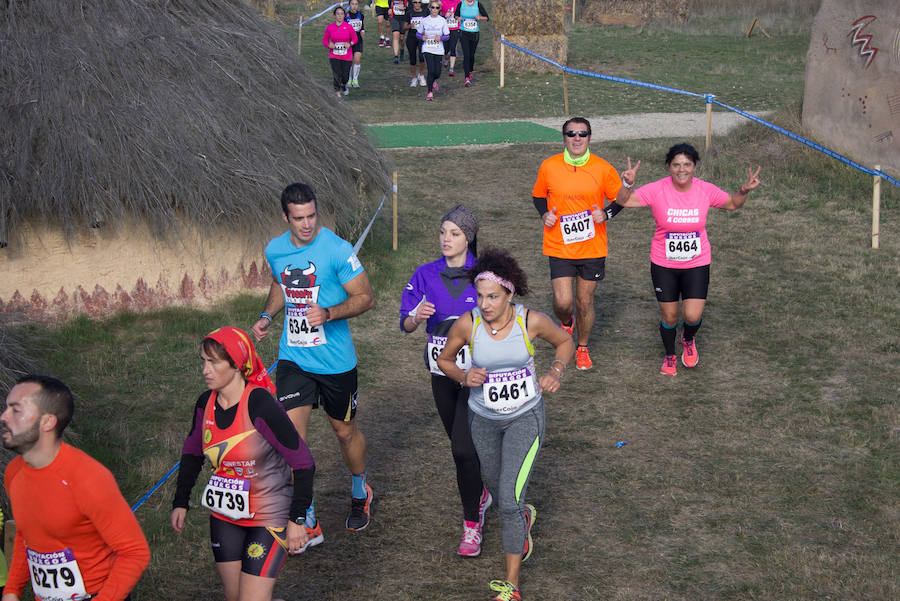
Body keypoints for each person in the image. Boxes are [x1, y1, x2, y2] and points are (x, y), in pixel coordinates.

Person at [437, 249, 574, 601]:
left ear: (510, 294)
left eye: (493, 297)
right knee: (500, 494)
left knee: (510, 501)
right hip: (482, 420)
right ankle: (523, 521)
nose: (485, 304)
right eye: (480, 296)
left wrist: (555, 372)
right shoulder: (467, 324)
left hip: (525, 418)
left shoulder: (530, 322)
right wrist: (464, 375)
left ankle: (511, 586)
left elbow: (564, 341)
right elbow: (444, 359)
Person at [251, 182, 375, 542]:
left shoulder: (337, 249)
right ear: (285, 217)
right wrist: (267, 316)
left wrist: (330, 312)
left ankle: (359, 490)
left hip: (336, 362)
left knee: (343, 432)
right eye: (299, 218)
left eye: (312, 216)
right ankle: (306, 517)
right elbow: (280, 284)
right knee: (292, 439)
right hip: (294, 358)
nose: (307, 224)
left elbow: (366, 297)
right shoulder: (275, 249)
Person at [171, 327, 315, 601]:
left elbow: (303, 462)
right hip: (225, 517)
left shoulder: (260, 404)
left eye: (213, 362)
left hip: (269, 516)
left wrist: (297, 518)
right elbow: (192, 454)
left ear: (236, 365)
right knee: (234, 596)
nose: (205, 369)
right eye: (203, 361)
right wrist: (180, 501)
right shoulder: (205, 403)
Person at [612, 143, 761, 375]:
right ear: (669, 167)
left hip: (697, 262)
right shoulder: (657, 189)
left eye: (687, 165)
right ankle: (670, 355)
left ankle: (688, 339)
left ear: (694, 167)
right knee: (670, 315)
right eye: (676, 165)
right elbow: (624, 201)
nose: (682, 170)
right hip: (664, 263)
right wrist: (627, 184)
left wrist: (743, 191)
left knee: (692, 315)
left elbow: (732, 204)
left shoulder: (705, 189)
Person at [1, 375, 150, 601]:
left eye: (16, 410)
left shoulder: (88, 478)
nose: (4, 417)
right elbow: (26, 535)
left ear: (47, 422)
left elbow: (135, 552)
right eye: (6, 408)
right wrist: (12, 590)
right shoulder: (13, 474)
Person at [399, 205, 492, 557]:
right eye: (442, 232)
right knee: (461, 449)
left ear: (468, 237)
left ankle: (471, 525)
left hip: (475, 377)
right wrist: (414, 317)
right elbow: (406, 324)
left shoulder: (484, 275)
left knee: (463, 449)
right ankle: (481, 495)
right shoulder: (424, 274)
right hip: (441, 376)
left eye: (454, 233)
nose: (446, 239)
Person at [531, 116, 628, 371]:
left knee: (585, 301)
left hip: (592, 247)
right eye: (571, 133)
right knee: (563, 302)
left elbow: (621, 198)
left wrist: (606, 214)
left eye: (582, 134)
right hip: (559, 245)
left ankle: (582, 347)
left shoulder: (603, 168)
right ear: (563, 138)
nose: (576, 138)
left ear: (589, 138)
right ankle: (566, 321)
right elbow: (538, 196)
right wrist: (544, 214)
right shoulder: (549, 166)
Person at [416, 0, 450, 101]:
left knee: (437, 72)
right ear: (430, 8)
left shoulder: (442, 21)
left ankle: (434, 81)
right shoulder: (424, 20)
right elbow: (418, 34)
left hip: (438, 49)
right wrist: (422, 37)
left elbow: (447, 36)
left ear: (439, 9)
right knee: (431, 70)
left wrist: (441, 38)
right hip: (427, 48)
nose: (435, 10)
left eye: (437, 8)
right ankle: (429, 92)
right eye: (433, 7)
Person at [322, 6, 358, 98]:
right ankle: (337, 93)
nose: (340, 16)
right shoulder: (330, 27)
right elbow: (325, 40)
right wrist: (329, 45)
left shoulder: (348, 27)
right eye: (338, 14)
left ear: (344, 15)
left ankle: (343, 85)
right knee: (337, 74)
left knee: (345, 76)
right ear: (335, 15)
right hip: (334, 55)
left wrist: (350, 44)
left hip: (347, 55)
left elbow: (355, 39)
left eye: (342, 14)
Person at [454, 0, 489, 86]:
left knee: (471, 55)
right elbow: (456, 15)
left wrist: (480, 18)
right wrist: (458, 18)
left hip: (474, 34)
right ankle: (467, 78)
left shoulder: (478, 4)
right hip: (464, 33)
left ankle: (470, 71)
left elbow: (487, 17)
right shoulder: (461, 4)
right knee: (466, 55)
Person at [406, 0, 429, 87]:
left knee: (422, 56)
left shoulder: (425, 12)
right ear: (412, 3)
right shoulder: (409, 13)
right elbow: (404, 27)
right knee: (412, 57)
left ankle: (421, 75)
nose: (417, 4)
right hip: (412, 36)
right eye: (415, 2)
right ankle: (414, 77)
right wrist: (409, 26)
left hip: (422, 37)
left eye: (419, 2)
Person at [345, 0, 365, 88]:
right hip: (348, 41)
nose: (354, 6)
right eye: (352, 4)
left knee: (357, 60)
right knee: (349, 61)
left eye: (356, 4)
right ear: (349, 5)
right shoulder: (345, 16)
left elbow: (362, 26)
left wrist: (363, 32)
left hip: (358, 40)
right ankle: (349, 79)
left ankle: (355, 79)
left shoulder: (361, 15)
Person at [441, 0, 461, 75]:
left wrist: (459, 17)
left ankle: (451, 69)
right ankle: (446, 57)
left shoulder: (459, 2)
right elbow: (435, 14)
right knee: (446, 48)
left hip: (455, 28)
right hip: (445, 29)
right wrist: (444, 16)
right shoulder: (442, 2)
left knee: (453, 47)